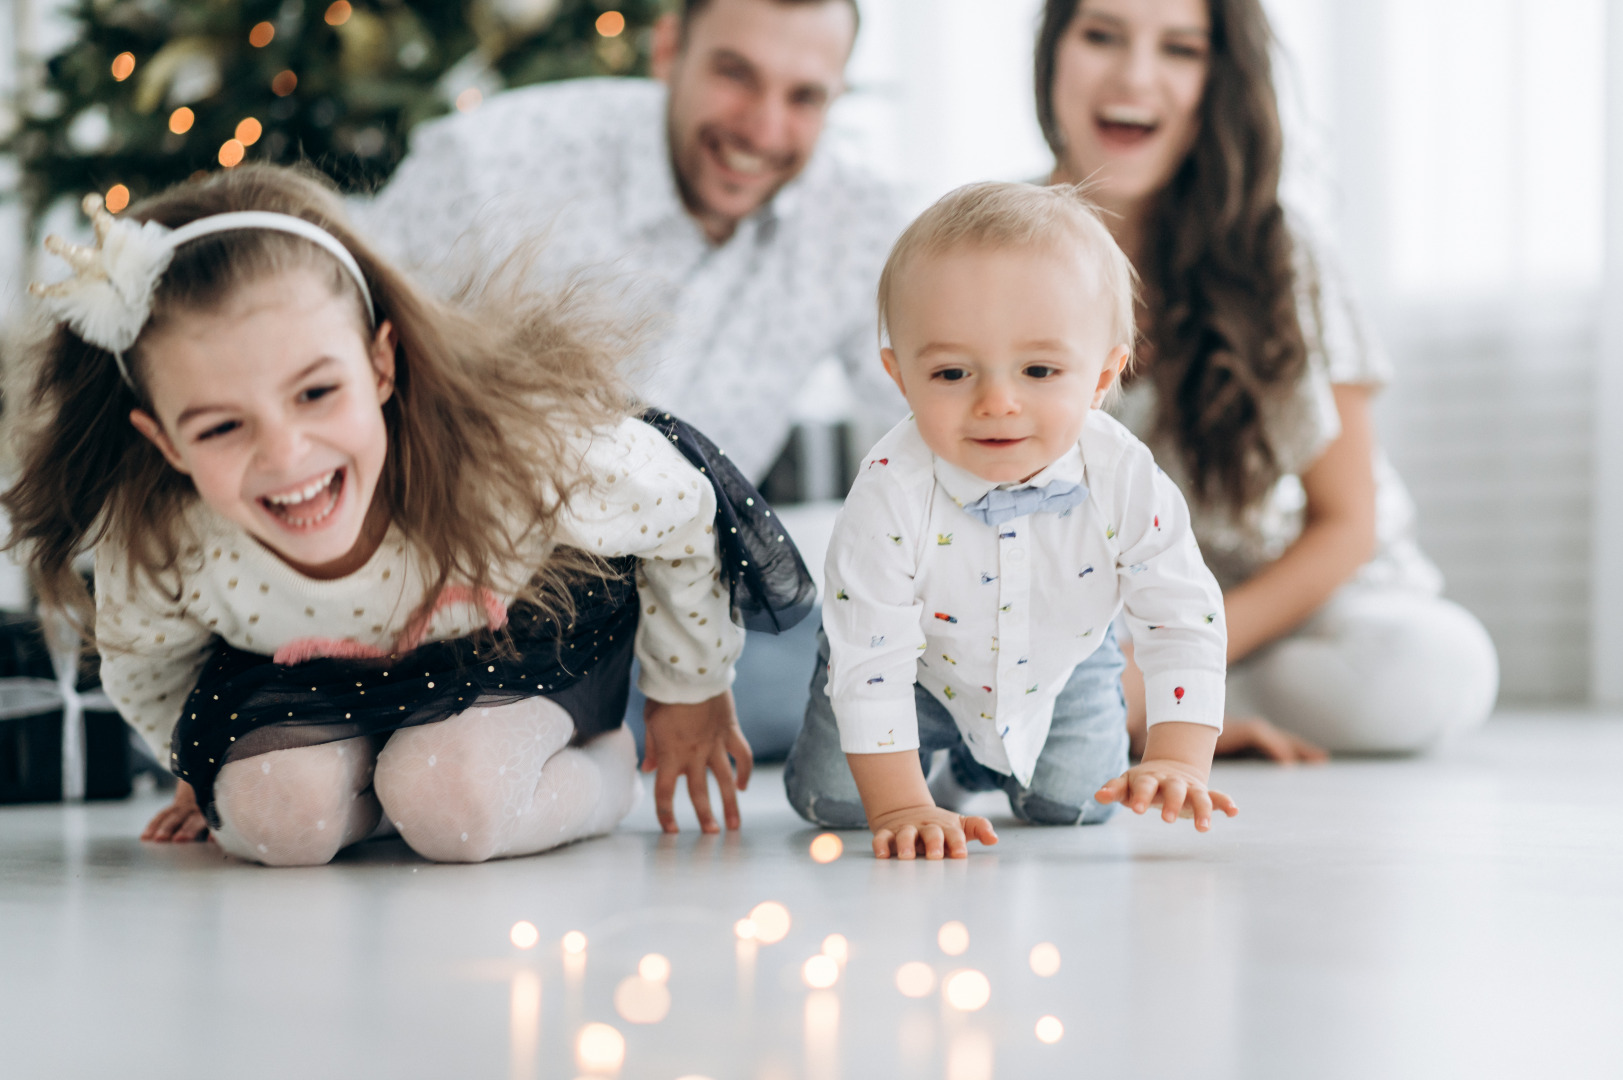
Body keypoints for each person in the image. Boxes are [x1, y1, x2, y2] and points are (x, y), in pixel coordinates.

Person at [2, 164, 810, 865]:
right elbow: (148, 666)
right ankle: (374, 785)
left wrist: (686, 691)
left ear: (381, 363)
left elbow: (679, 506)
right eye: (220, 427)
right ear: (166, 442)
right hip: (307, 681)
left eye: (317, 392)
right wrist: (195, 767)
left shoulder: (516, 459)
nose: (286, 457)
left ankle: (594, 764)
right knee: (274, 821)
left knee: (450, 803)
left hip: (513, 644)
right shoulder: (170, 537)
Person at [354, 0, 905, 757]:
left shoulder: (859, 221)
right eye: (734, 74)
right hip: (477, 605)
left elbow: (924, 434)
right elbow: (338, 371)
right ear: (669, 47)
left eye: (804, 96)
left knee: (892, 671)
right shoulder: (489, 159)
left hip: (697, 610)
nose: (763, 129)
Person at [1036, 0, 1499, 758]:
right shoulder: (991, 249)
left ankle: (1149, 712)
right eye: (1100, 35)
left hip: (1281, 609)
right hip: (1100, 620)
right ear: (1052, 51)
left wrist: (1170, 678)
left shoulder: (1279, 255)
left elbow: (1347, 523)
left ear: (1219, 79)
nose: (1134, 75)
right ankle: (1113, 710)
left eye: (1180, 49)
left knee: (1430, 667)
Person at [784, 182, 1237, 859]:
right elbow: (872, 659)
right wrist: (905, 805)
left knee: (1078, 806)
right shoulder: (889, 490)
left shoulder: (1120, 474)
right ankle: (933, 766)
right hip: (910, 667)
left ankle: (975, 765)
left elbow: (1180, 614)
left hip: (1063, 663)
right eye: (950, 374)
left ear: (1102, 375)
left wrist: (1177, 756)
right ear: (899, 376)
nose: (997, 402)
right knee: (834, 803)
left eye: (1037, 369)